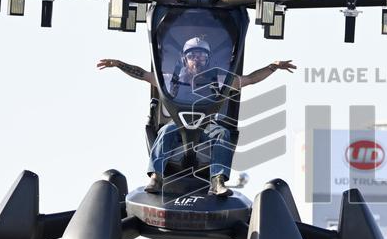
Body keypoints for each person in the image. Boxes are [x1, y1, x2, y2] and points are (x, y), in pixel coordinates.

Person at [97, 40, 295, 196]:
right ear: (185, 59)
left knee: (223, 134)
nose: (197, 60)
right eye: (193, 56)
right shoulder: (171, 79)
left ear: (207, 60)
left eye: (201, 56)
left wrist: (272, 67)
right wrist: (118, 64)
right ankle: (157, 177)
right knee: (165, 132)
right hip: (179, 124)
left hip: (207, 125)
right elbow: (143, 74)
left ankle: (217, 181)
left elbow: (250, 79)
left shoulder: (217, 80)